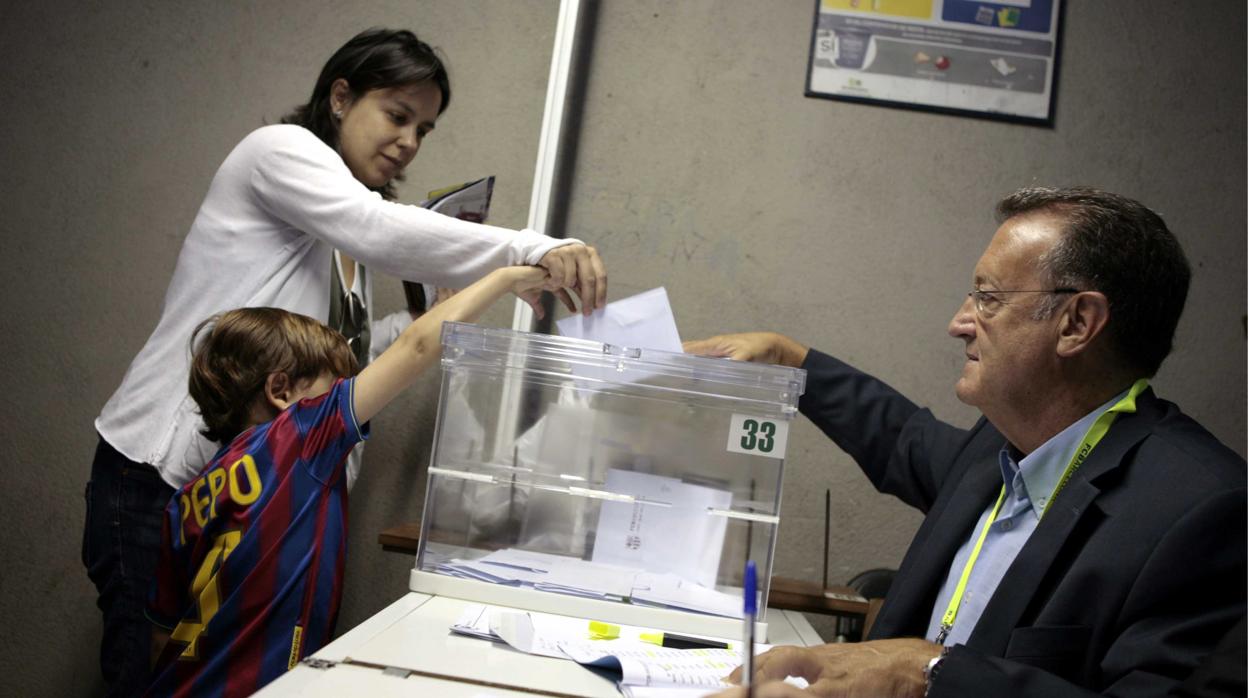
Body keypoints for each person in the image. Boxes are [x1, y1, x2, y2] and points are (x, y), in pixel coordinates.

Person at [83, 27, 607, 697]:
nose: (410, 141)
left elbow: (337, 354)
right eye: (397, 115)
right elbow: (377, 229)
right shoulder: (280, 153)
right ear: (339, 97)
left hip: (243, 486)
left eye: (424, 129)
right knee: (151, 676)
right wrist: (530, 252)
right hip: (159, 470)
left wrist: (420, 325)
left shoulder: (340, 230)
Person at [688, 187, 1246, 698]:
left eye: (988, 298)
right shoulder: (1000, 448)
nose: (959, 322)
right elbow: (901, 438)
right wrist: (791, 360)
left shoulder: (1202, 509)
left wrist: (926, 673)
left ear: (1077, 323)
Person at [144, 264, 549, 697]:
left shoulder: (185, 500)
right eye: (333, 386)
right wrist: (506, 276)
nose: (348, 396)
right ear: (281, 391)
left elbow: (160, 637)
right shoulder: (297, 438)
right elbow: (415, 348)